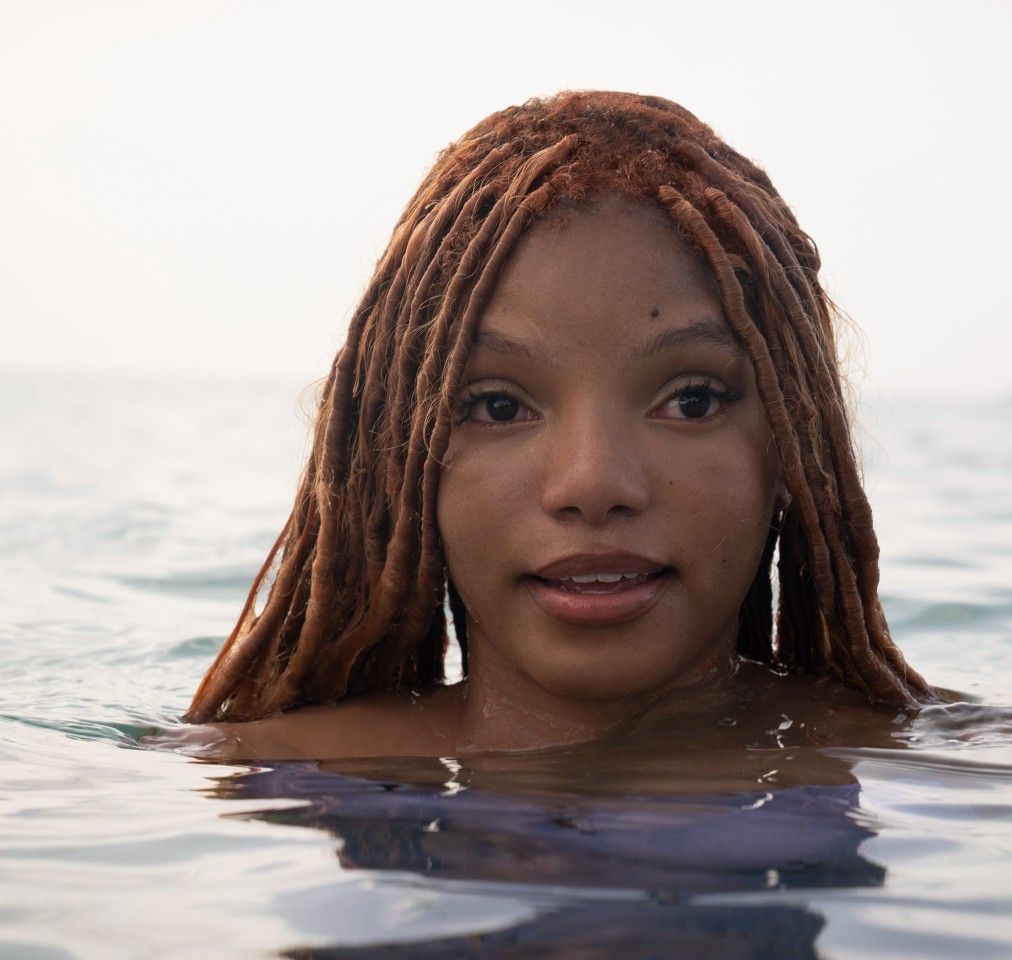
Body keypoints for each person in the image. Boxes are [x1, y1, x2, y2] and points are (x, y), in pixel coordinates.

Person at [177, 91, 934, 761]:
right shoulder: (267, 778)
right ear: (397, 468)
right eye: (499, 405)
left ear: (793, 451)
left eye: (693, 400)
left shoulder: (961, 768)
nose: (594, 484)